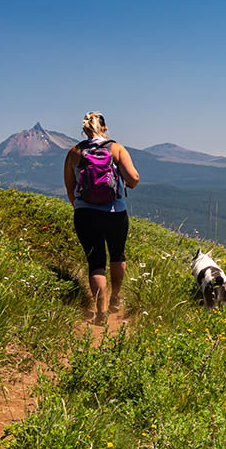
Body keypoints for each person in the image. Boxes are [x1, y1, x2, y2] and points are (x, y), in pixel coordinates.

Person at [63, 112, 140, 322]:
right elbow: (133, 178)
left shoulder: (74, 152)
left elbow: (70, 189)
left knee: (95, 261)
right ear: (104, 128)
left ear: (85, 130)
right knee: (117, 254)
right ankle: (115, 298)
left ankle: (100, 311)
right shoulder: (116, 149)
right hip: (115, 212)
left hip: (85, 214)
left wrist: (80, 207)